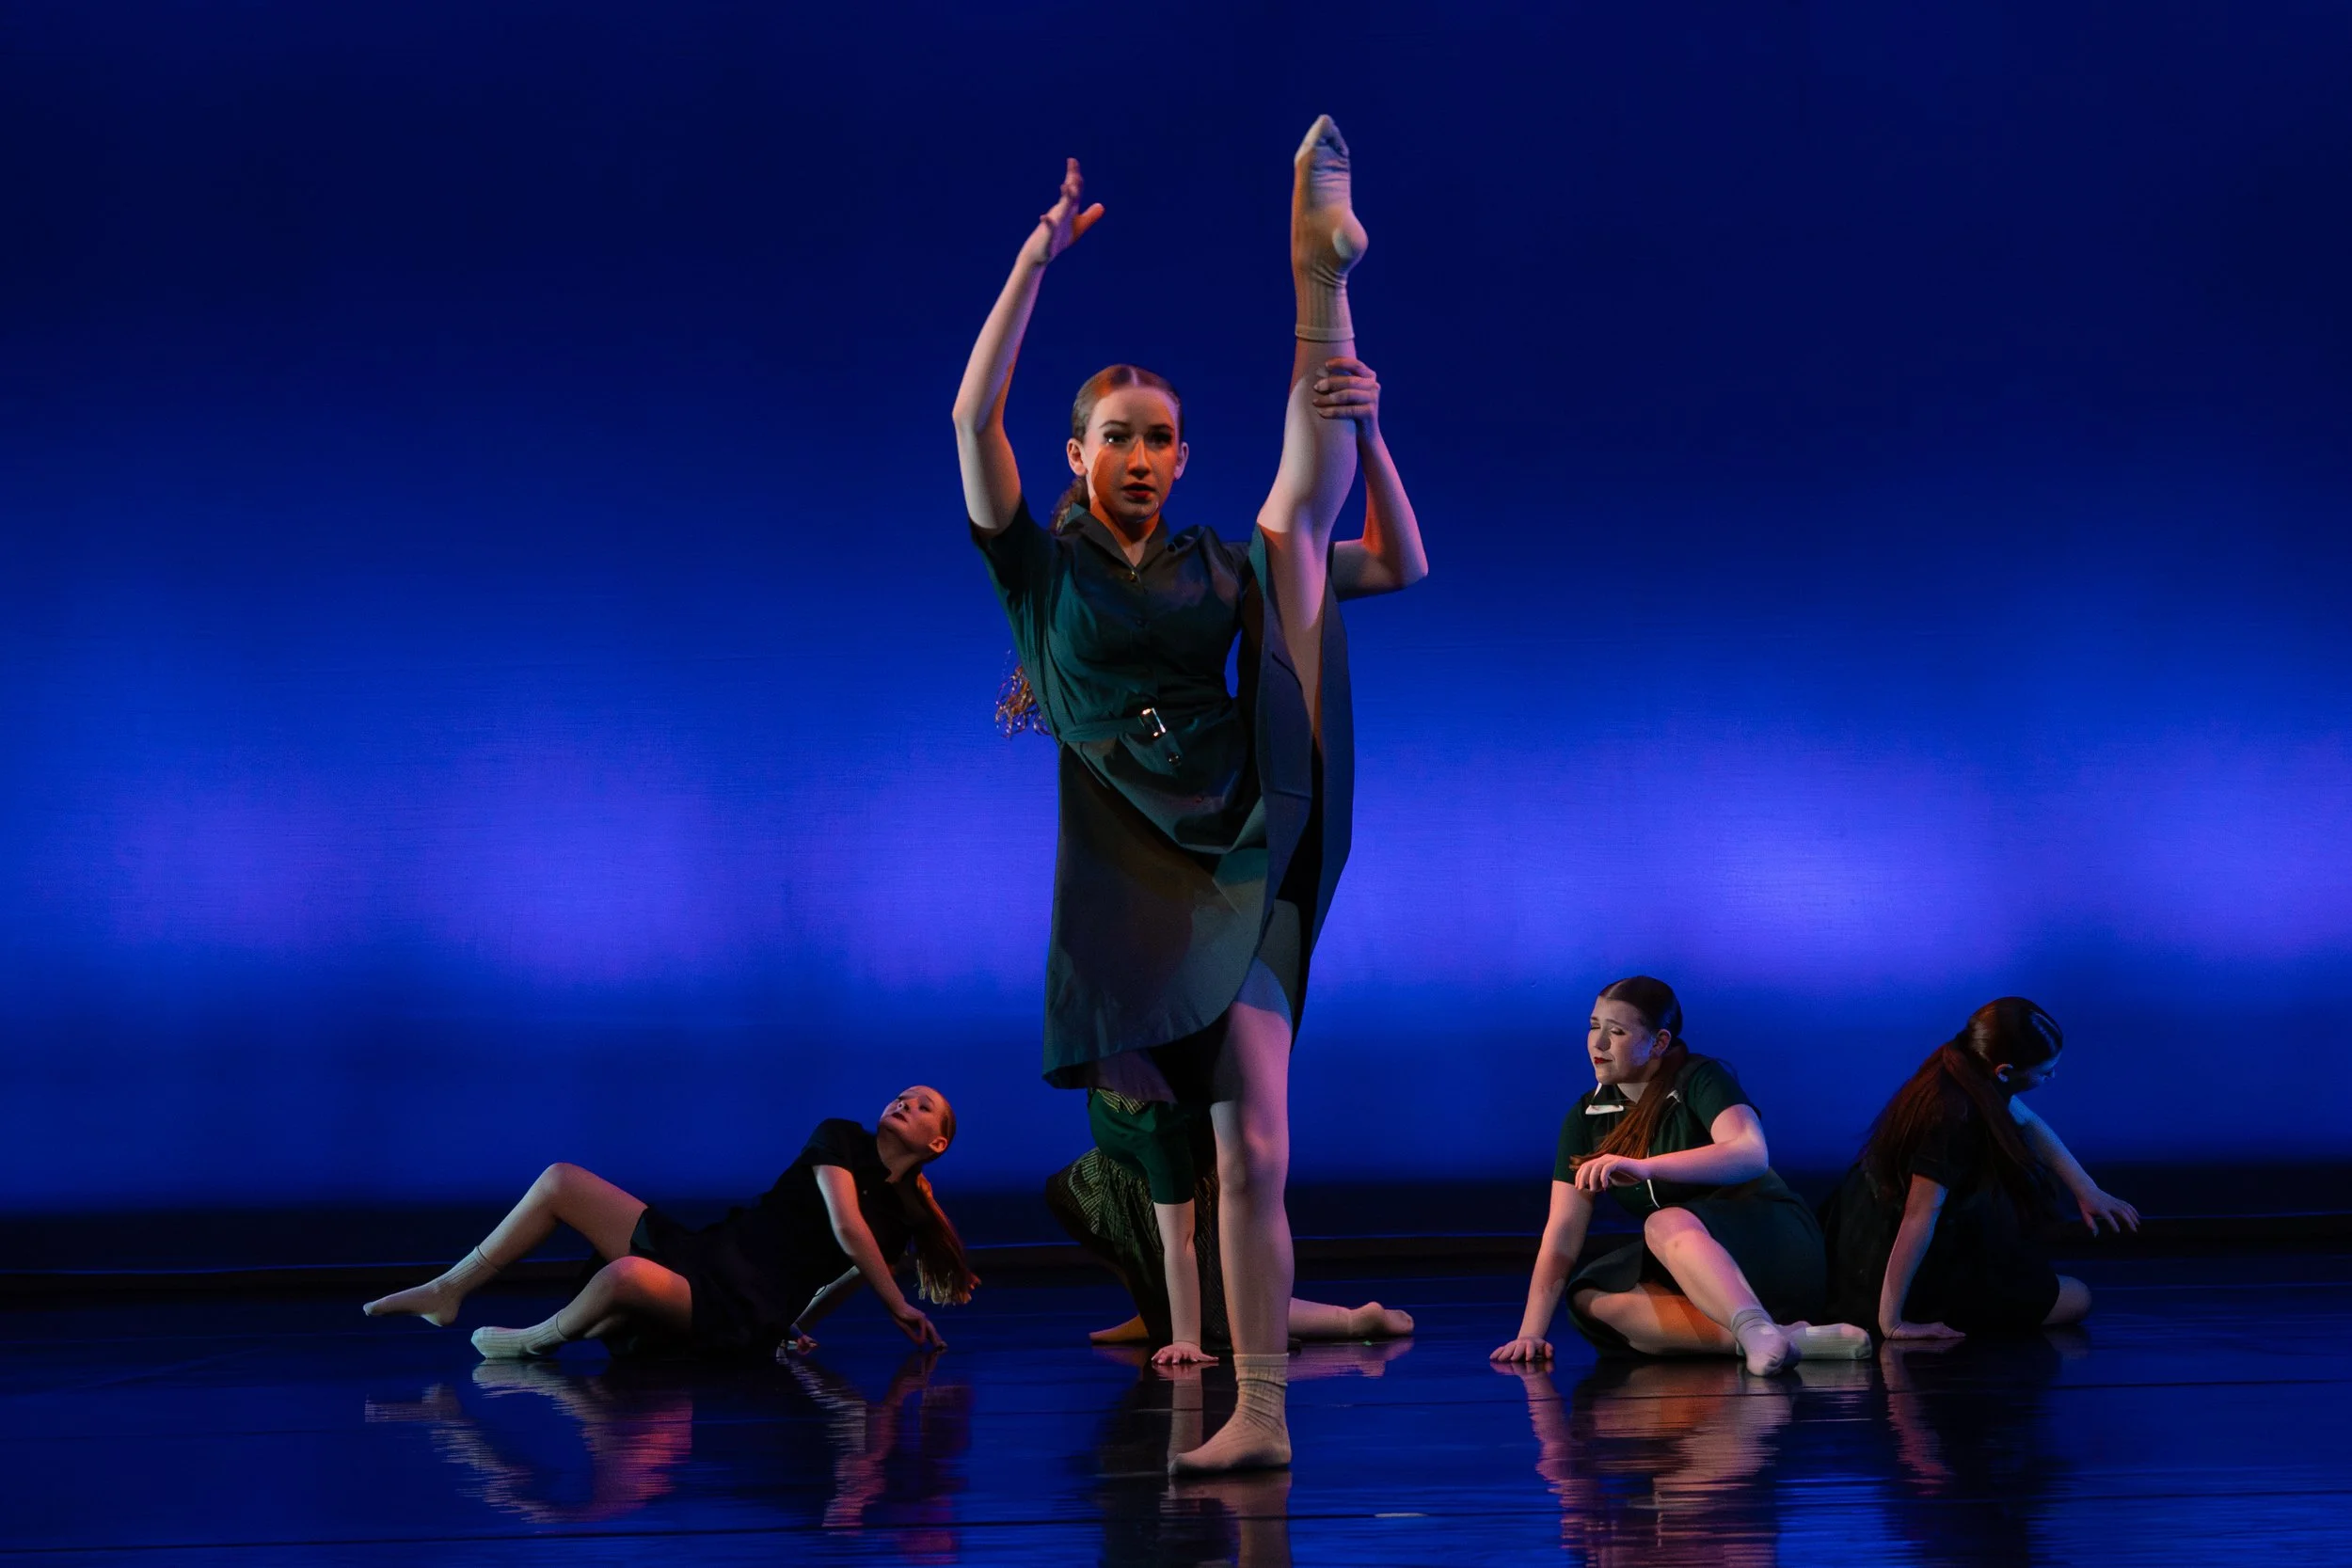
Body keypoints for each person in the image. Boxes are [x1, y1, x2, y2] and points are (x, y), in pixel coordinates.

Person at [953, 117, 1427, 1472]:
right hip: (1131, 879)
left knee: (1257, 1146)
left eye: (1161, 438)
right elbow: (970, 417)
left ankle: (1319, 271)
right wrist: (1035, 263)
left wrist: (1369, 429)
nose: (1144, 456)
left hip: (1241, 839)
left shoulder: (1216, 560)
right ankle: (1318, 275)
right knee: (1213, 1153)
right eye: (1119, 437)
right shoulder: (1038, 570)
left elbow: (1383, 561)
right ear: (1076, 455)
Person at [362, 1086, 976, 1359]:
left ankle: (531, 1342)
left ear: (937, 1142)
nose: (905, 1102)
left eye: (922, 1105)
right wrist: (896, 1304)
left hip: (742, 1308)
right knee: (560, 1179)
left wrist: (794, 1327)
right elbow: (846, 1226)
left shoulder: (901, 1219)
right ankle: (448, 1289)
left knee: (625, 1277)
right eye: (902, 1094)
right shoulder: (839, 1137)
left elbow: (844, 1276)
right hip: (707, 1254)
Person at [1491, 977, 1870, 1375]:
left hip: (1770, 1243)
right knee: (1591, 1298)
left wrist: (1647, 1166)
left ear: (1658, 1042)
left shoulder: (1699, 1078)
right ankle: (1774, 1338)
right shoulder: (1587, 1116)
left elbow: (1751, 1153)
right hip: (1691, 1269)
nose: (1598, 1043)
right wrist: (1530, 1333)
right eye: (1593, 1026)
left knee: (1664, 1221)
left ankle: (1755, 1327)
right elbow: (1563, 1230)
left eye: (1616, 1032)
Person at [1819, 997, 2137, 1340]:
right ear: (2004, 1071)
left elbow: (2029, 1123)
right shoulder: (1953, 1117)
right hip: (1893, 1255)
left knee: (2045, 1276)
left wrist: (2086, 1189)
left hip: (1892, 1229)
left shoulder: (1964, 1066)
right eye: (2045, 1072)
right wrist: (1892, 1322)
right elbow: (1918, 1216)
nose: (2053, 1076)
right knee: (2077, 1298)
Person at [1046, 1088, 1414, 1361]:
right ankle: (1155, 1311)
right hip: (1125, 1177)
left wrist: (1186, 1339)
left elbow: (1181, 1240)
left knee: (1226, 1318)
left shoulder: (1155, 1126)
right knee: (1070, 1193)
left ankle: (1352, 1321)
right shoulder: (1107, 1078)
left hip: (1190, 1197)